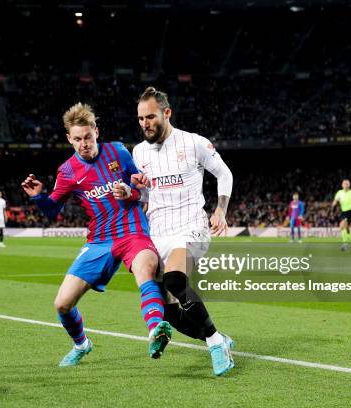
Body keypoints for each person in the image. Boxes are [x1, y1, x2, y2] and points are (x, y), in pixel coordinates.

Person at [21, 103, 172, 367]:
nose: (84, 144)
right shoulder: (67, 172)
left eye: (87, 137)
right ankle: (82, 344)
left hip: (132, 231)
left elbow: (144, 192)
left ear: (96, 132)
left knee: (145, 270)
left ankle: (155, 330)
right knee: (62, 304)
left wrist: (131, 192)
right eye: (77, 139)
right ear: (69, 139)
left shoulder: (119, 152)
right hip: (99, 241)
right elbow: (52, 210)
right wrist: (39, 197)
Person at [123, 87, 235, 376]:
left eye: (150, 117)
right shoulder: (138, 152)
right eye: (140, 119)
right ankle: (219, 338)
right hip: (157, 233)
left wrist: (220, 209)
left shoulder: (194, 143)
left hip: (191, 228)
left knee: (175, 278)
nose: (145, 123)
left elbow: (224, 173)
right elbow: (147, 196)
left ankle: (214, 345)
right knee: (170, 313)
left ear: (167, 113)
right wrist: (133, 198)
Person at [331, 179, 351, 253]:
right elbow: (335, 200)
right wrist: (334, 203)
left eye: (347, 184)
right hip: (343, 212)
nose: (346, 185)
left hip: (350, 212)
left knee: (342, 226)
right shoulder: (339, 192)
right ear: (342, 185)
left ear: (349, 185)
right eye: (344, 183)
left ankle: (345, 244)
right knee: (346, 229)